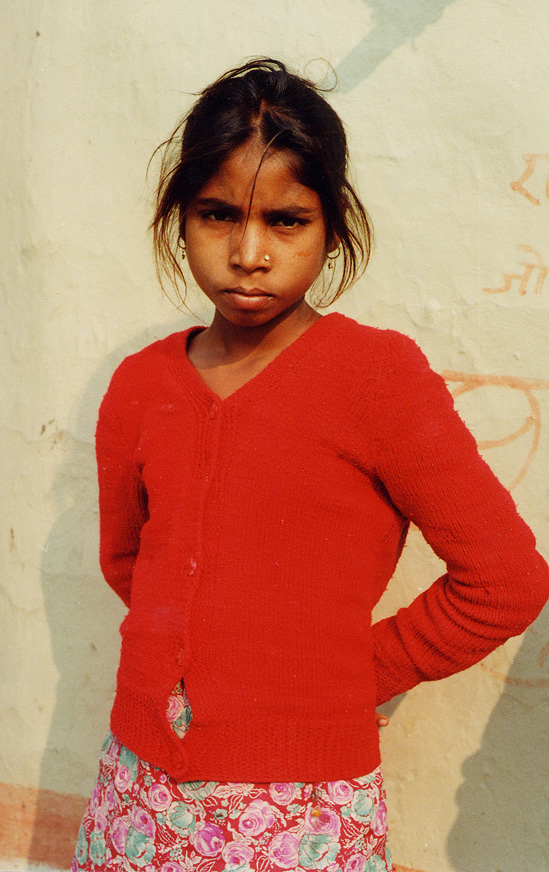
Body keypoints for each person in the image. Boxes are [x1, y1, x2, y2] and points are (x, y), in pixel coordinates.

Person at [72, 59, 549, 872]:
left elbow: (503, 580)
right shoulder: (141, 384)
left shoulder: (376, 378)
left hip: (301, 807)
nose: (248, 253)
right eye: (217, 215)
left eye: (286, 221)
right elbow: (133, 563)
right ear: (177, 219)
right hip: (139, 789)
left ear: (332, 227)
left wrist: (354, 673)